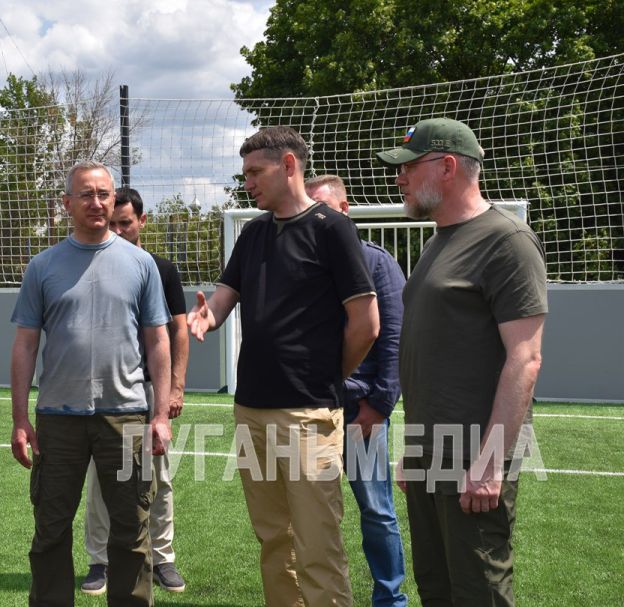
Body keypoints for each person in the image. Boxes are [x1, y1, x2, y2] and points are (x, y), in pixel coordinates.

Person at [187, 127, 380, 607]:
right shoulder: (252, 234)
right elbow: (224, 300)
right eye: (244, 173)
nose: (247, 183)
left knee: (318, 545)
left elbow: (367, 323)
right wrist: (206, 317)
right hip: (250, 410)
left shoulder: (332, 228)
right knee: (274, 540)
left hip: (308, 415)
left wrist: (326, 376)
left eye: (256, 172)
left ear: (289, 165)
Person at [375, 117, 547, 606]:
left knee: (478, 590)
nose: (399, 177)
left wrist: (491, 464)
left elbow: (526, 358)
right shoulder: (436, 241)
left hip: (473, 456)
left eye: (409, 167)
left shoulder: (506, 242)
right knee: (436, 587)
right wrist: (415, 449)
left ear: (447, 166)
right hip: (431, 453)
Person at [10, 161, 173, 607]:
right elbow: (25, 345)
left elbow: (159, 339)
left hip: (126, 419)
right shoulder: (42, 266)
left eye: (104, 193)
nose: (97, 202)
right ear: (67, 204)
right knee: (50, 532)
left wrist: (159, 414)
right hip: (58, 421)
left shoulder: (141, 264)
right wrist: (20, 418)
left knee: (131, 533)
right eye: (86, 194)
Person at [305, 174, 408, 607]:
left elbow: (395, 338)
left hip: (359, 413)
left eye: (324, 210)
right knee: (310, 516)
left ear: (344, 211)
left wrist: (380, 406)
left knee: (376, 511)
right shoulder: (303, 263)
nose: (316, 220)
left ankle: (390, 599)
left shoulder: (376, 261)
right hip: (310, 413)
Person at [81, 187, 189, 595]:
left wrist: (174, 388)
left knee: (158, 477)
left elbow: (177, 331)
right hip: (105, 392)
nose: (118, 230)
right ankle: (100, 561)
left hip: (148, 389)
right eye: (113, 223)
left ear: (142, 222)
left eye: (125, 223)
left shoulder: (160, 269)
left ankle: (162, 559)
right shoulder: (90, 266)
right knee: (100, 480)